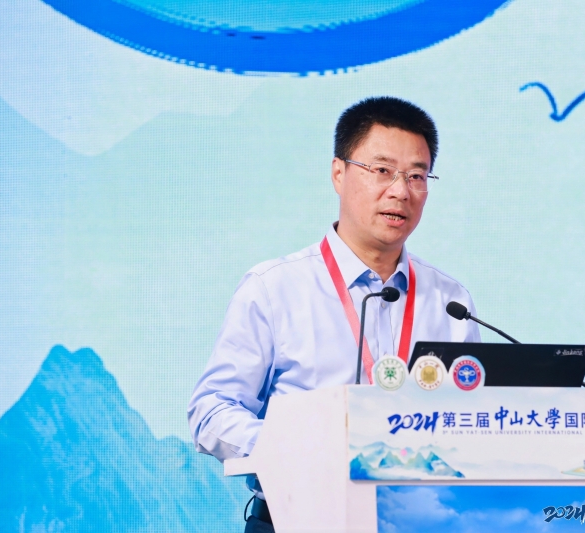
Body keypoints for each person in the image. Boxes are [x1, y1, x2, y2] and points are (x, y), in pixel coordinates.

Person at [187, 96, 480, 532]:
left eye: (416, 176)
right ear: (338, 173)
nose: (400, 191)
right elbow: (211, 410)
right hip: (298, 518)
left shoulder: (451, 302)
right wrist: (295, 449)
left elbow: (472, 418)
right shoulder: (274, 288)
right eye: (382, 171)